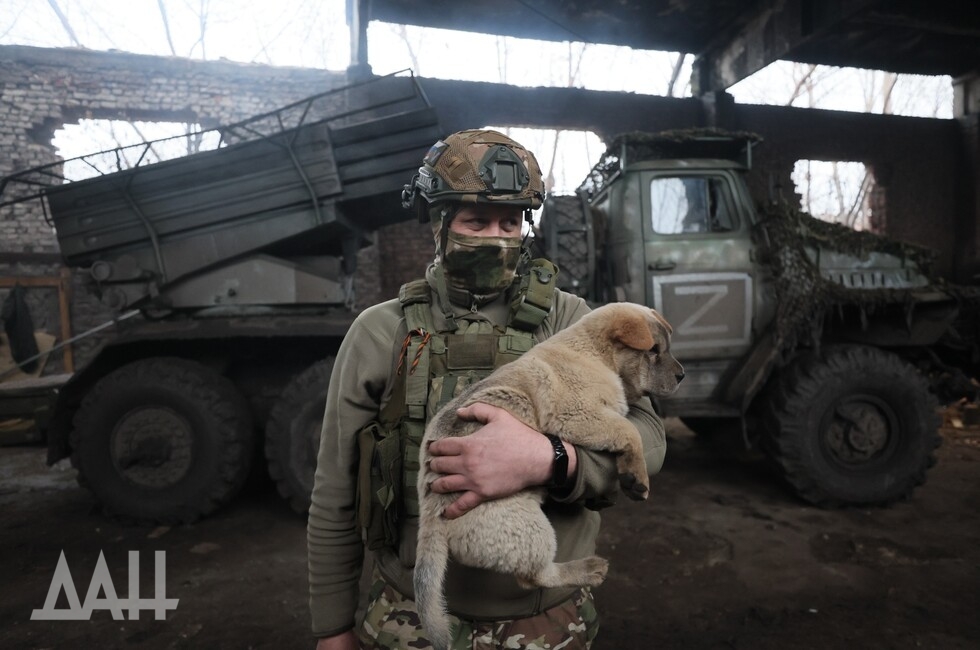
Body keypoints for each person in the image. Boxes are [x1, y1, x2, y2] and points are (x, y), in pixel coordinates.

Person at [307, 129, 667, 650]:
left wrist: (550, 460)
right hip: (409, 618)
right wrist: (332, 626)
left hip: (545, 620)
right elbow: (335, 490)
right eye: (476, 221)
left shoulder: (571, 320)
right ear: (438, 222)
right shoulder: (381, 332)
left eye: (510, 222)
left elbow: (650, 439)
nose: (497, 237)